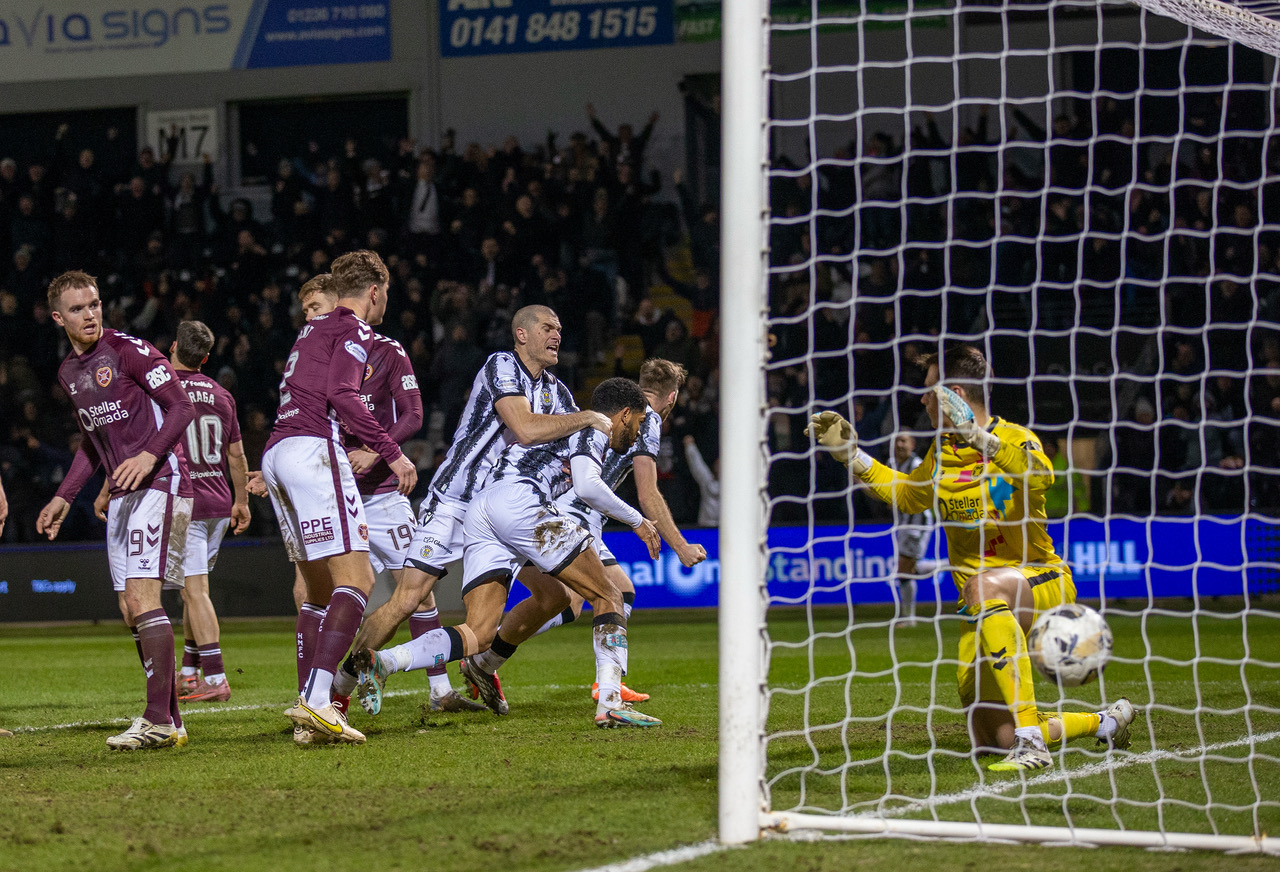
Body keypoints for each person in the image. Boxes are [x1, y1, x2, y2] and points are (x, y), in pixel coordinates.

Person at [806, 344, 1136, 771]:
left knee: (984, 586)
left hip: (1039, 581)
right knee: (990, 740)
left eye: (929, 390)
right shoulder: (941, 453)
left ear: (955, 394)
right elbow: (908, 495)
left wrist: (982, 440)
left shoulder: (1016, 439)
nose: (922, 399)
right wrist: (852, 456)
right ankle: (1105, 723)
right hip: (983, 608)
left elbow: (1040, 477)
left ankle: (1031, 742)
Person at [327, 304, 611, 717]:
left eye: (560, 329)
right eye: (548, 327)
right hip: (454, 500)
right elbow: (527, 428)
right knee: (407, 599)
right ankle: (340, 689)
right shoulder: (502, 366)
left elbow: (566, 455)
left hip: (502, 512)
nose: (557, 336)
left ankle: (483, 663)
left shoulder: (559, 393)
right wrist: (586, 417)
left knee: (556, 597)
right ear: (522, 334)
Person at [354, 377, 664, 728]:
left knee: (480, 632)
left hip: (484, 507)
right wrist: (638, 521)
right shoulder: (595, 423)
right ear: (623, 415)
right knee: (609, 593)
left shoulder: (563, 423)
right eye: (638, 425)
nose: (637, 435)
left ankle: (387, 661)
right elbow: (588, 485)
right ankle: (610, 703)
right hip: (520, 503)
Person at [464, 359, 705, 706]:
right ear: (673, 396)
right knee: (606, 594)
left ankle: (486, 662)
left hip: (557, 507)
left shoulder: (617, 414)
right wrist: (679, 545)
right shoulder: (648, 418)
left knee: (572, 600)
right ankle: (605, 688)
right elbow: (648, 491)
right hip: (574, 511)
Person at [297, 272, 484, 719]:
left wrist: (377, 452)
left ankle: (439, 689)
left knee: (418, 592)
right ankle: (313, 696)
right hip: (329, 490)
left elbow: (414, 414)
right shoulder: (310, 356)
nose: (313, 318)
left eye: (317, 308)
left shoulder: (387, 351)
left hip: (380, 495)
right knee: (313, 591)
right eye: (307, 312)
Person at [261, 249, 418, 746]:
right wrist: (392, 452)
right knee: (360, 578)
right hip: (314, 451)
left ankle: (312, 710)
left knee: (316, 591)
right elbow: (344, 394)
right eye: (386, 293)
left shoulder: (312, 329)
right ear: (375, 291)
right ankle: (318, 700)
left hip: (277, 450)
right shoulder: (354, 329)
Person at [36, 270, 196, 750]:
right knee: (129, 608)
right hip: (123, 494)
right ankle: (172, 721)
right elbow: (92, 440)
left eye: (96, 304)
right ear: (58, 317)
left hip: (160, 482)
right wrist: (65, 495)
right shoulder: (69, 373)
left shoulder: (130, 350)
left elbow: (182, 407)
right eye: (80, 308)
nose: (91, 314)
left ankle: (156, 721)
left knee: (145, 598)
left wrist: (148, 455)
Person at [169, 321, 250, 701]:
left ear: (173, 348)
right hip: (218, 503)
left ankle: (216, 679)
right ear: (204, 357)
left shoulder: (163, 392)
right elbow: (236, 454)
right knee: (192, 591)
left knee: (195, 592)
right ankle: (188, 671)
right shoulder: (223, 395)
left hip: (188, 504)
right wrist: (241, 500)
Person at [888, 432, 933, 628]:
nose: (899, 445)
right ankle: (948, 565)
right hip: (905, 522)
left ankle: (909, 618)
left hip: (918, 522)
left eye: (903, 441)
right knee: (907, 569)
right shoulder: (892, 465)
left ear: (912, 445)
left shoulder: (916, 466)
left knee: (904, 570)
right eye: (896, 440)